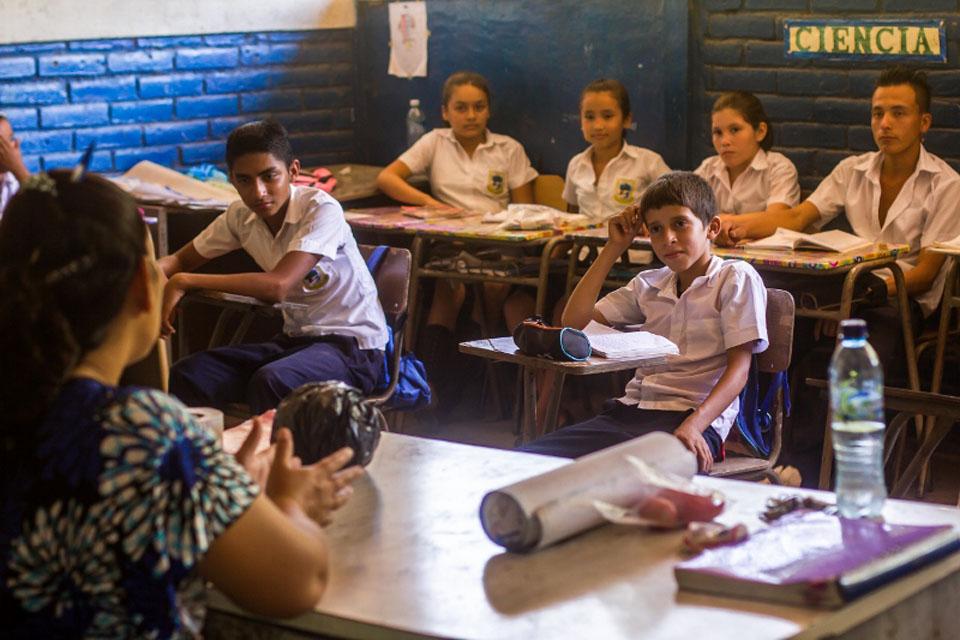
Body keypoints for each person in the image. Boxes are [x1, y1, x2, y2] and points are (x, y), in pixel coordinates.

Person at [0, 171, 363, 636]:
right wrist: (287, 503)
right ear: (140, 286)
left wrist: (218, 491)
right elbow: (298, 582)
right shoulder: (144, 434)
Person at [522, 172, 768, 472]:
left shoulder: (735, 278)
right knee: (524, 461)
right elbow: (574, 321)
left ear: (712, 227)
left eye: (680, 223)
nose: (668, 239)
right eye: (656, 229)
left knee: (625, 479)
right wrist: (614, 247)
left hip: (692, 420)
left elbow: (739, 371)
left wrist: (695, 424)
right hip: (631, 412)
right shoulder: (649, 284)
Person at [721, 66, 960, 374]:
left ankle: (854, 420)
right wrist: (734, 225)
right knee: (778, 338)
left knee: (858, 364)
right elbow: (796, 216)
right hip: (846, 292)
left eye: (898, 113)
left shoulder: (947, 184)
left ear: (923, 122)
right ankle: (776, 419)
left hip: (897, 299)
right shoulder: (852, 170)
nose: (885, 124)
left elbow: (925, 275)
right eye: (877, 113)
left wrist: (854, 300)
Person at [160, 120, 389, 413]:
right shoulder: (239, 217)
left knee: (272, 380)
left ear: (293, 171)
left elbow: (277, 286)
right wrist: (153, 274)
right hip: (296, 343)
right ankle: (205, 458)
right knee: (189, 375)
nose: (258, 192)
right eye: (244, 180)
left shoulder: (321, 208)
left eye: (269, 176)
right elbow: (178, 260)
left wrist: (184, 281)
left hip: (354, 349)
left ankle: (275, 459)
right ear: (231, 179)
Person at [376, 71, 539, 411]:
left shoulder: (508, 149)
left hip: (500, 247)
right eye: (461, 108)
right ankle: (433, 392)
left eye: (478, 107)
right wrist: (436, 206)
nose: (470, 115)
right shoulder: (435, 141)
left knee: (490, 289)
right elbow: (387, 178)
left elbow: (526, 210)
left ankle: (482, 371)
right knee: (448, 288)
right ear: (445, 112)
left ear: (489, 111)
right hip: (450, 245)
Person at [563, 78, 671, 220]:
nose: (598, 126)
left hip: (632, 242)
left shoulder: (648, 163)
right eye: (589, 117)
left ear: (626, 120)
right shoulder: (576, 165)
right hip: (585, 242)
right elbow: (572, 215)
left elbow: (676, 205)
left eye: (607, 116)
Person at [694, 91, 799, 220]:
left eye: (735, 130)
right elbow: (683, 214)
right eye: (718, 132)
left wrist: (719, 221)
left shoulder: (779, 168)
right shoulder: (707, 168)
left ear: (760, 131)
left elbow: (775, 220)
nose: (724, 141)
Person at [0, 114, 30, 218]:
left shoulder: (14, 182)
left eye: (12, 138)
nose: (15, 144)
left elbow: (49, 211)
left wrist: (20, 170)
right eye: (4, 144)